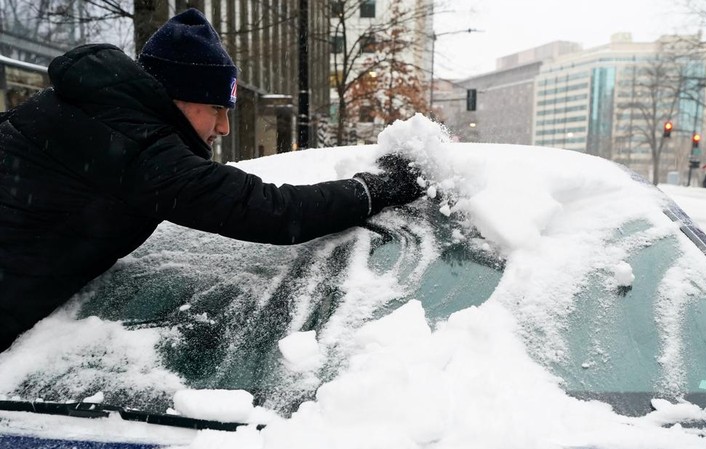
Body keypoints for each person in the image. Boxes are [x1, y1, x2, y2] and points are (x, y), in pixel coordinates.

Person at [0, 9, 423, 352]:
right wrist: (376, 187)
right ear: (176, 97)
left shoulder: (69, 111)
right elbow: (275, 212)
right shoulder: (138, 149)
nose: (223, 127)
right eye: (216, 108)